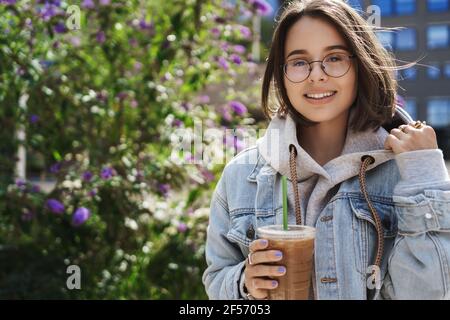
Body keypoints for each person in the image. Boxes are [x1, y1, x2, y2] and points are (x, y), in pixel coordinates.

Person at [202, 0, 450, 300]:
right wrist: (244, 283)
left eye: (334, 58)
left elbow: (430, 293)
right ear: (281, 74)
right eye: (298, 61)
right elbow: (217, 279)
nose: (316, 75)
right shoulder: (241, 176)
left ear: (359, 65)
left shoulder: (406, 171)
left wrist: (425, 177)